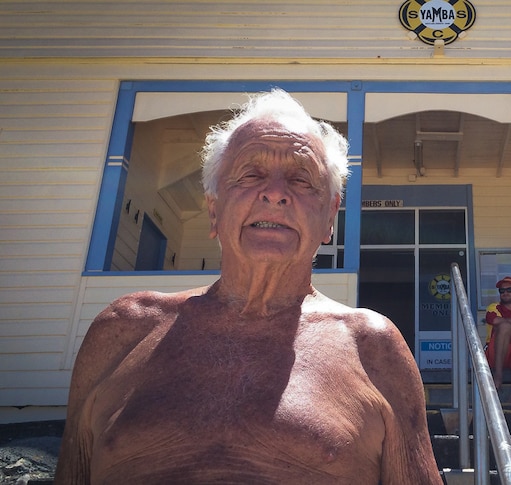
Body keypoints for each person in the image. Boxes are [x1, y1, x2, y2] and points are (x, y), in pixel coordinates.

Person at [55, 89, 442, 485]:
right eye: (251, 174)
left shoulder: (373, 348)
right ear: (213, 208)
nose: (275, 193)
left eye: (301, 179)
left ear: (330, 216)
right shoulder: (123, 330)